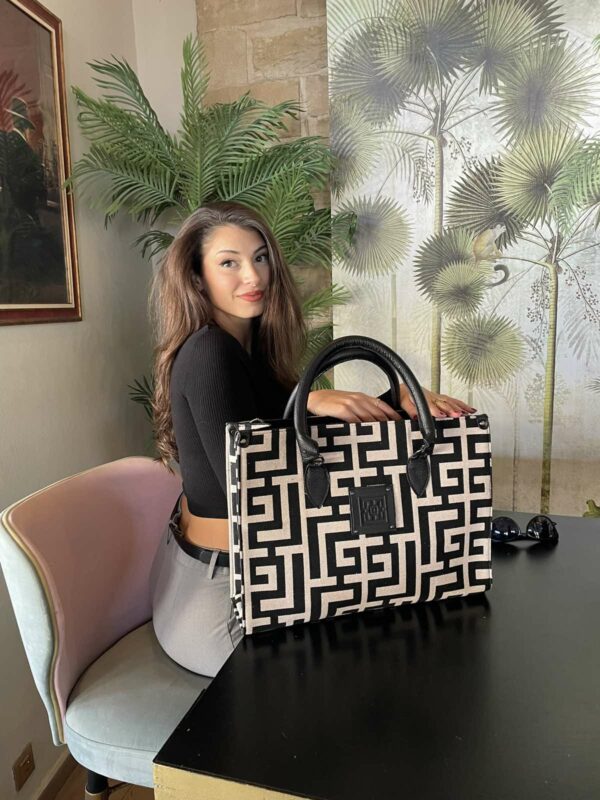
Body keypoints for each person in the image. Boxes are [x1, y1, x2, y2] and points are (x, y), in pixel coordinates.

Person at [149, 202, 475, 676]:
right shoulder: (209, 351)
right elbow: (257, 491)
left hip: (248, 575)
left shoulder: (248, 353)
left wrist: (394, 398)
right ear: (197, 278)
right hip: (221, 597)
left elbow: (296, 444)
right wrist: (309, 400)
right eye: (229, 262)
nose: (252, 276)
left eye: (260, 258)